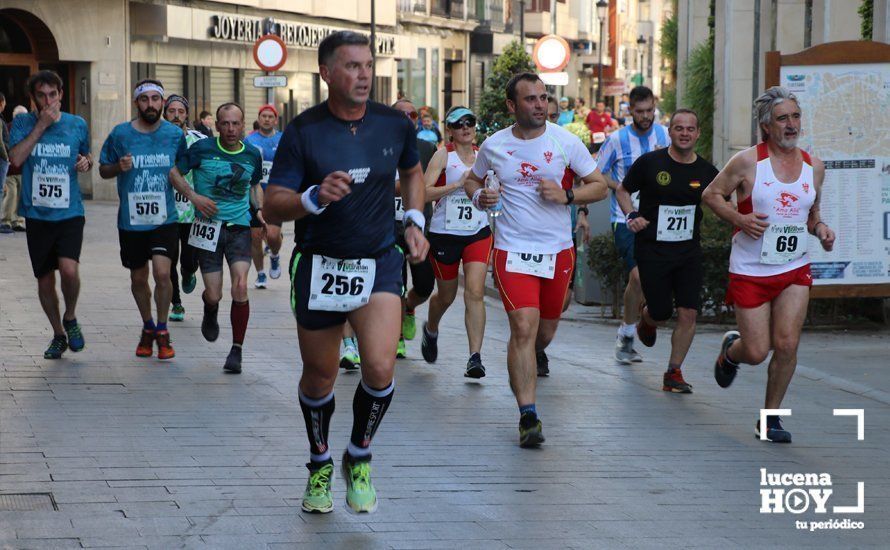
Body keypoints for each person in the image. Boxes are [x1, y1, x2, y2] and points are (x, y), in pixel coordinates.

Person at [264, 31, 429, 514]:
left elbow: (412, 172)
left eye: (368, 65)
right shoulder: (304, 131)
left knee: (379, 367)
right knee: (321, 375)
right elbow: (273, 202)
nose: (363, 75)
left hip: (378, 261)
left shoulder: (394, 124)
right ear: (327, 73)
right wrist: (313, 197)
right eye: (352, 66)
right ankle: (319, 462)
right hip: (318, 264)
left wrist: (414, 222)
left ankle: (359, 454)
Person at [465, 72, 608, 448]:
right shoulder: (495, 146)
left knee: (544, 332)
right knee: (523, 328)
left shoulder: (565, 143)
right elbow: (472, 181)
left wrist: (568, 196)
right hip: (513, 250)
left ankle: (530, 354)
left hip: (558, 251)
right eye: (531, 99)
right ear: (512, 105)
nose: (540, 105)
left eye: (544, 98)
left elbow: (599, 184)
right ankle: (528, 415)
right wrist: (482, 198)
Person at [702, 86, 835, 443]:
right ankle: (732, 352)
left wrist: (820, 229)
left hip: (794, 267)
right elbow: (711, 195)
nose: (791, 125)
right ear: (766, 126)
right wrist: (739, 219)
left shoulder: (814, 167)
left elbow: (812, 215)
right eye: (782, 119)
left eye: (795, 117)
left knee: (788, 344)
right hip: (751, 268)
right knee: (758, 351)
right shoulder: (747, 162)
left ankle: (770, 418)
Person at [616, 108, 719, 393]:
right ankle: (647, 319)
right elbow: (622, 190)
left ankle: (673, 372)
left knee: (688, 313)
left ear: (697, 133)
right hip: (652, 248)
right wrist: (631, 215)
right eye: (679, 128)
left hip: (688, 251)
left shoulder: (707, 171)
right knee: (661, 312)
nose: (684, 133)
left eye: (690, 129)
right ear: (670, 131)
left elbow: (723, 198)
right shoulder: (650, 163)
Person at [170, 102, 264, 374]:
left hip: (239, 229)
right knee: (214, 293)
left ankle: (236, 349)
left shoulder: (252, 154)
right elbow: (174, 172)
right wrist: (194, 197)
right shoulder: (202, 149)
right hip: (207, 228)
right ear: (216, 125)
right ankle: (210, 309)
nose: (231, 129)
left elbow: (254, 186)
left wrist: (258, 211)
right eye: (225, 123)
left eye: (236, 123)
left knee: (241, 286)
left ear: (243, 125)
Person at [99, 80, 186, 359]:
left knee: (162, 273)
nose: (151, 104)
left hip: (165, 218)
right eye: (145, 99)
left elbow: (182, 170)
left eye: (156, 99)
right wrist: (117, 167)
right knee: (139, 278)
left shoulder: (174, 134)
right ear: (137, 103)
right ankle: (147, 326)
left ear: (162, 102)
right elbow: (103, 170)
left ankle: (162, 329)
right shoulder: (120, 134)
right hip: (131, 220)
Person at [8, 70, 92, 359]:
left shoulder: (77, 123)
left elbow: (86, 156)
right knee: (45, 280)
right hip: (37, 213)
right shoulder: (22, 122)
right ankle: (58, 333)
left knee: (69, 270)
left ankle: (70, 316)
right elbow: (16, 158)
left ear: (61, 95)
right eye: (41, 96)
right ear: (33, 98)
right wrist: (41, 126)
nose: (48, 101)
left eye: (53, 95)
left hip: (70, 212)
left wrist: (85, 162)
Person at [596, 85, 670, 364]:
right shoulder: (616, 140)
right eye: (640, 112)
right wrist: (623, 186)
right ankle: (626, 336)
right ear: (630, 111)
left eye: (650, 110)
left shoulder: (665, 135)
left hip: (661, 220)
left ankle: (639, 322)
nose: (646, 116)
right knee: (638, 276)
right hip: (624, 219)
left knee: (651, 281)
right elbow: (598, 175)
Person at [420, 106, 491, 378]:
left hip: (477, 232)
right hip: (445, 233)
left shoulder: (484, 154)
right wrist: (457, 184)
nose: (465, 127)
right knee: (447, 296)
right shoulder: (443, 155)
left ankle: (475, 357)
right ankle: (431, 328)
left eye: (470, 122)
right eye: (458, 124)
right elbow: (424, 192)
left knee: (475, 291)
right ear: (449, 129)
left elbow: (497, 182)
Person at [391, 99, 437, 357]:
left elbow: (428, 186)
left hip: (419, 226)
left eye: (412, 114)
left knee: (424, 285)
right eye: (401, 114)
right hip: (388, 225)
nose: (408, 118)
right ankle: (396, 337)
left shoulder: (427, 148)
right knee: (395, 283)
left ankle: (409, 307)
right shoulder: (378, 148)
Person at [163, 94, 206, 322]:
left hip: (192, 210)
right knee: (168, 259)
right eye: (171, 111)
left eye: (180, 111)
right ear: (165, 112)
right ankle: (176, 304)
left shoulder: (198, 140)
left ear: (187, 114)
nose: (176, 115)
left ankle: (189, 272)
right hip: (166, 210)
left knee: (188, 260)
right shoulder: (157, 139)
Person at [244, 104, 284, 289]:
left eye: (270, 116)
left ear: (275, 120)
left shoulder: (283, 139)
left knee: (273, 235)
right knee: (255, 236)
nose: (267, 119)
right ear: (259, 119)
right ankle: (260, 274)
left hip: (275, 196)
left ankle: (274, 255)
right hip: (254, 193)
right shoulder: (249, 140)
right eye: (263, 116)